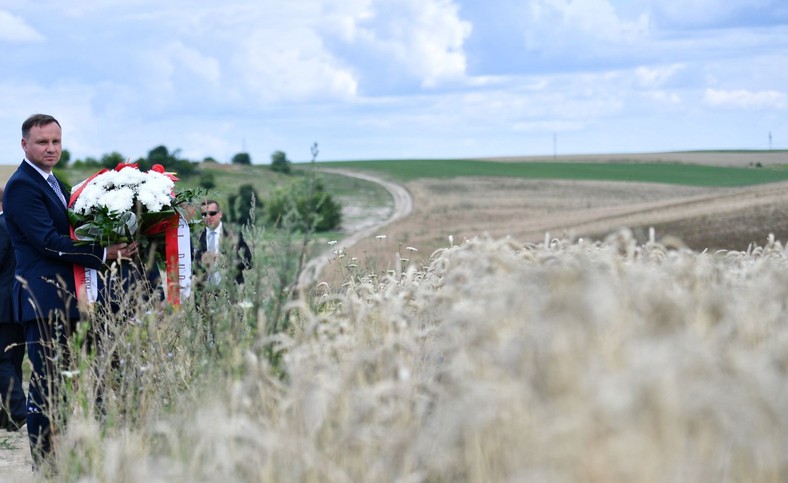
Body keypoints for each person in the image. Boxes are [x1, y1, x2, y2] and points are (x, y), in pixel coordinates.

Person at [3, 114, 136, 465]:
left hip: (73, 299)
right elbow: (47, 242)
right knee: (47, 386)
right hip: (43, 300)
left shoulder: (54, 182)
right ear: (24, 145)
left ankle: (77, 454)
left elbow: (75, 230)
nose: (50, 148)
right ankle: (46, 464)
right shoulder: (21, 186)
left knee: (78, 381)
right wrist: (102, 253)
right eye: (42, 142)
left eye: (55, 142)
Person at [0, 187, 26, 432]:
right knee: (13, 359)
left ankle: (19, 412)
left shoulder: (1, 225)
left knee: (2, 360)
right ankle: (8, 416)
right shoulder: (14, 223)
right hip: (18, 302)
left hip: (3, 304)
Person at [193, 199, 251, 287]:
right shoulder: (196, 237)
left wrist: (228, 261)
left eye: (212, 213)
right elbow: (191, 269)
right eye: (204, 214)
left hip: (230, 290)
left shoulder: (234, 234)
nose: (208, 217)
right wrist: (202, 263)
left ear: (220, 214)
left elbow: (249, 261)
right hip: (204, 292)